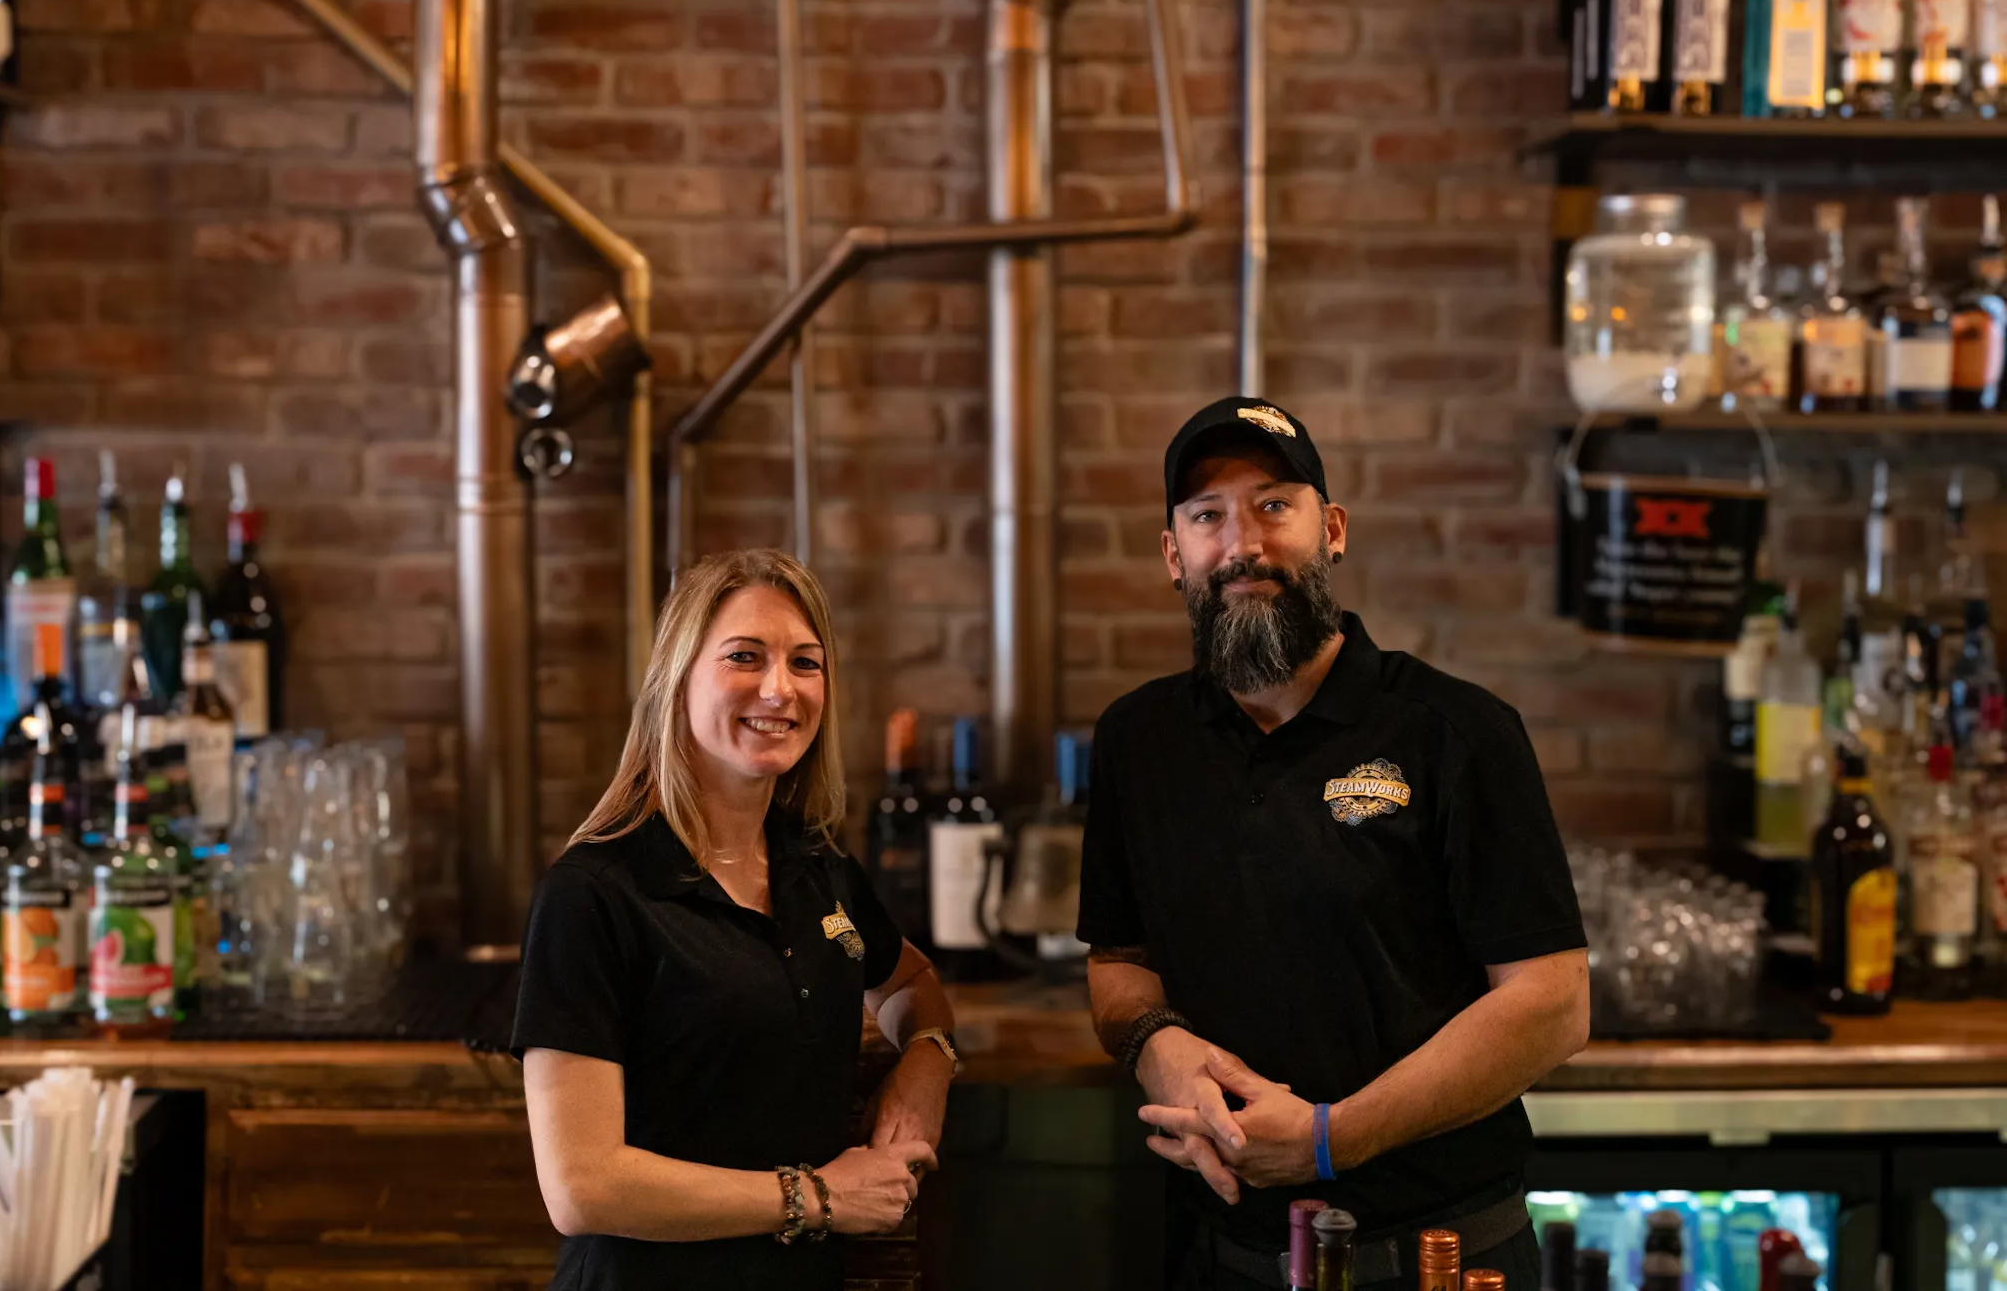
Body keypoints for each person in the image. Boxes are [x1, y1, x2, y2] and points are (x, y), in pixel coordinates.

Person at [1077, 397, 1592, 1291]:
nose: (1243, 543)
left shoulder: (1457, 732)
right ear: (1174, 555)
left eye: (1275, 505)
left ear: (1334, 530)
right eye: (1207, 517)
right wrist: (1156, 1043)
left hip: (1441, 1258)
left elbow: (1553, 1002)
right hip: (1220, 1258)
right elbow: (1118, 961)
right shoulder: (1138, 741)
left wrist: (1328, 1138)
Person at [512, 548, 962, 1291]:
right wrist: (819, 1196)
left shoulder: (816, 867)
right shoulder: (593, 893)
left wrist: (928, 1060)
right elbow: (581, 1183)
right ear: (677, 679)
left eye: (805, 662)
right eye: (744, 657)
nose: (779, 688)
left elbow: (910, 978)